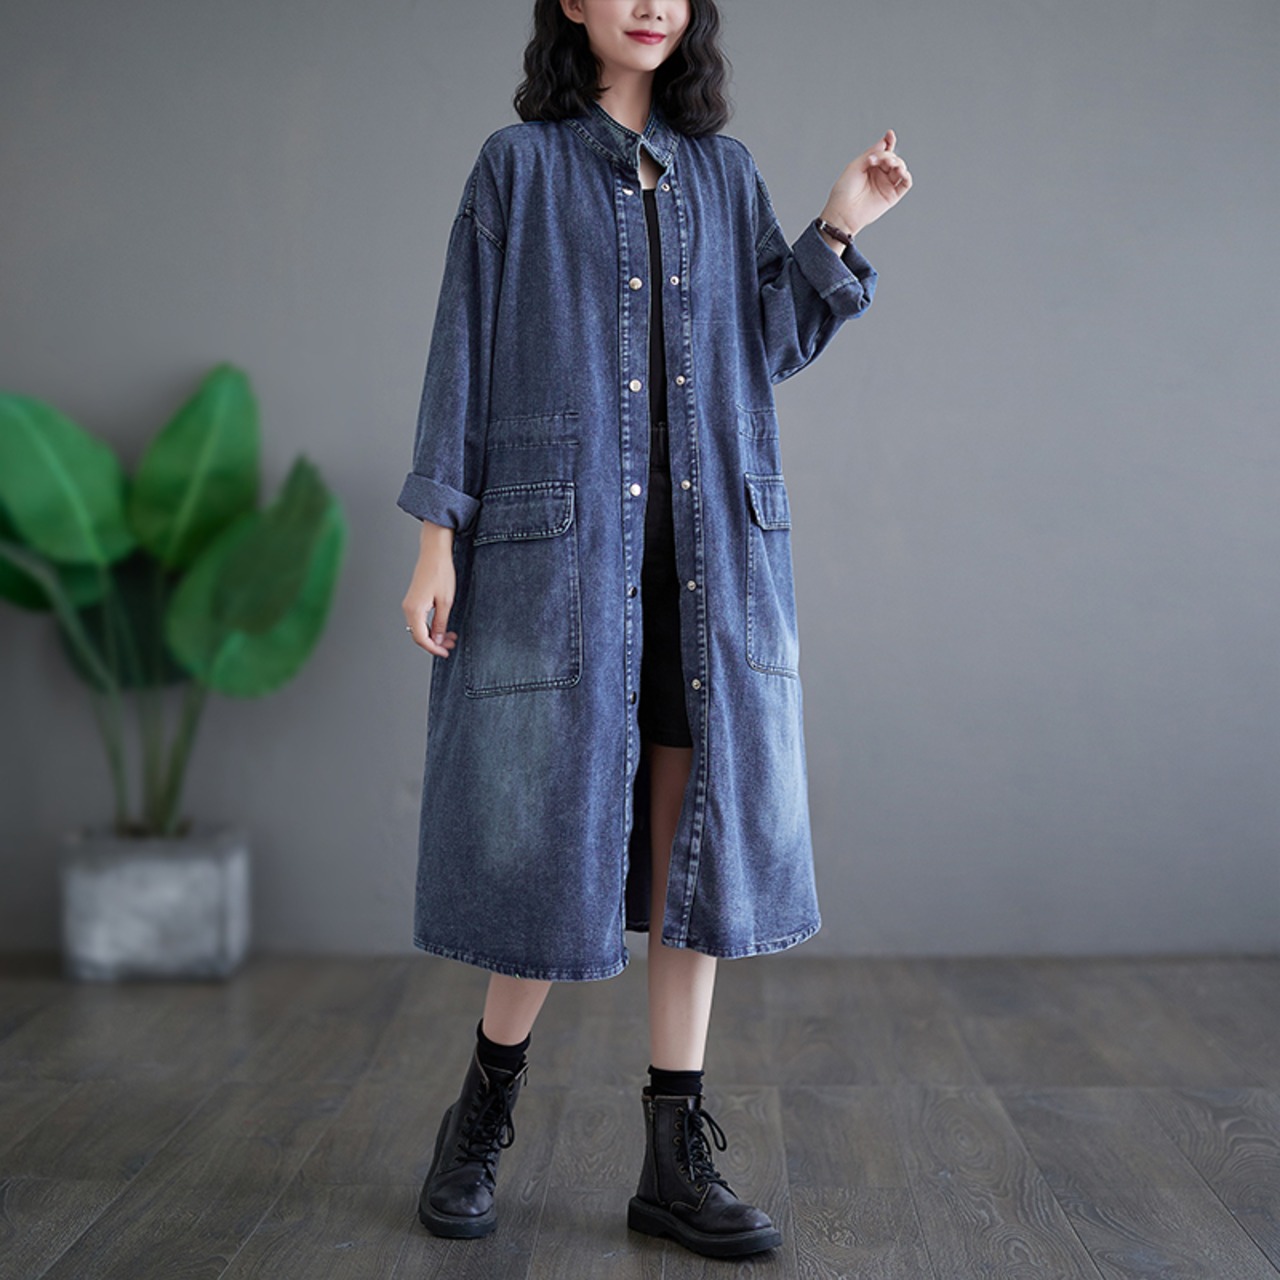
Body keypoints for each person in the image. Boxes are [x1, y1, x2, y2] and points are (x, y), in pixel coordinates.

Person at [398, 0, 911, 1259]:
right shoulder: (515, 169)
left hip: (706, 562)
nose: (647, 4)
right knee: (544, 835)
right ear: (570, 3)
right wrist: (435, 536)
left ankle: (672, 1158)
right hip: (564, 560)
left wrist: (836, 225)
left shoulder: (722, 175)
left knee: (691, 854)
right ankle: (479, 1115)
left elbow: (764, 345)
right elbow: (463, 347)